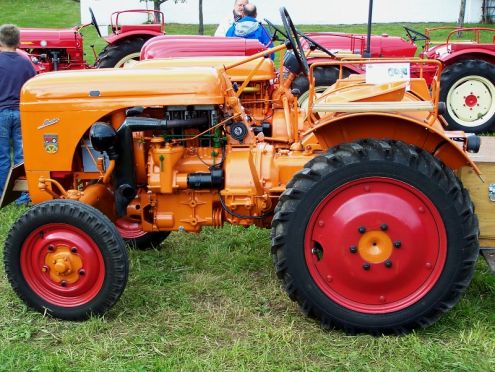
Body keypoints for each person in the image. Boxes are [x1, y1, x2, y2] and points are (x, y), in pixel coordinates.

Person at [0, 24, 36, 204]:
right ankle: (24, 194)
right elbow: (32, 84)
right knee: (22, 156)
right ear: (19, 41)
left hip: (1, 114)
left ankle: (3, 194)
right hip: (21, 112)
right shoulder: (25, 62)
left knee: (3, 155)